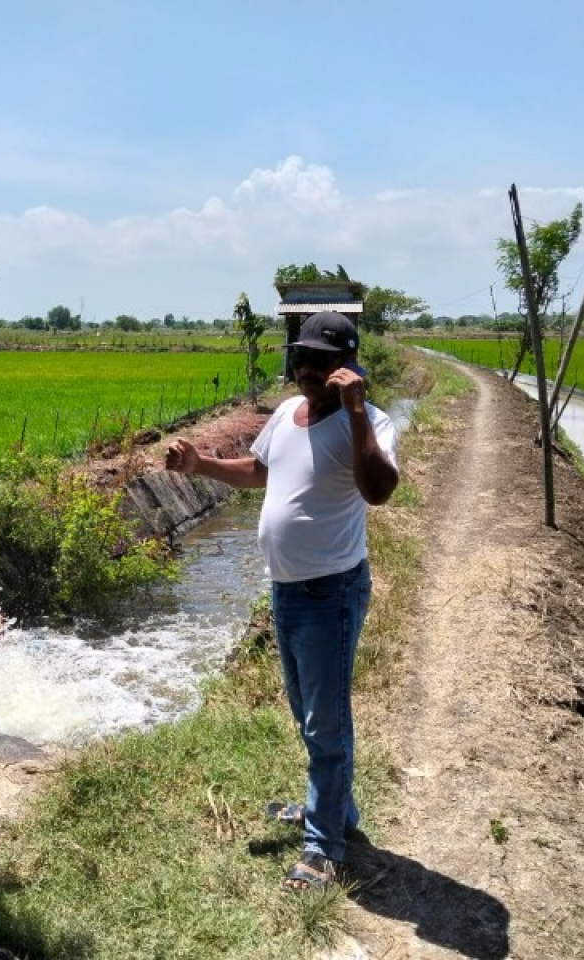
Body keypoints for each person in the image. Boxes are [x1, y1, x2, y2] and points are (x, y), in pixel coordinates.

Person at [164, 310, 399, 892]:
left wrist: (354, 414)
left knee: (326, 721)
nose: (309, 369)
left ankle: (325, 847)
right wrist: (199, 465)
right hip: (287, 589)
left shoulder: (370, 421)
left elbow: (379, 491)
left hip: (331, 593)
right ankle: (331, 809)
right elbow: (258, 472)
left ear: (348, 367)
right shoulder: (285, 416)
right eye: (302, 358)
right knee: (306, 712)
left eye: (324, 361)